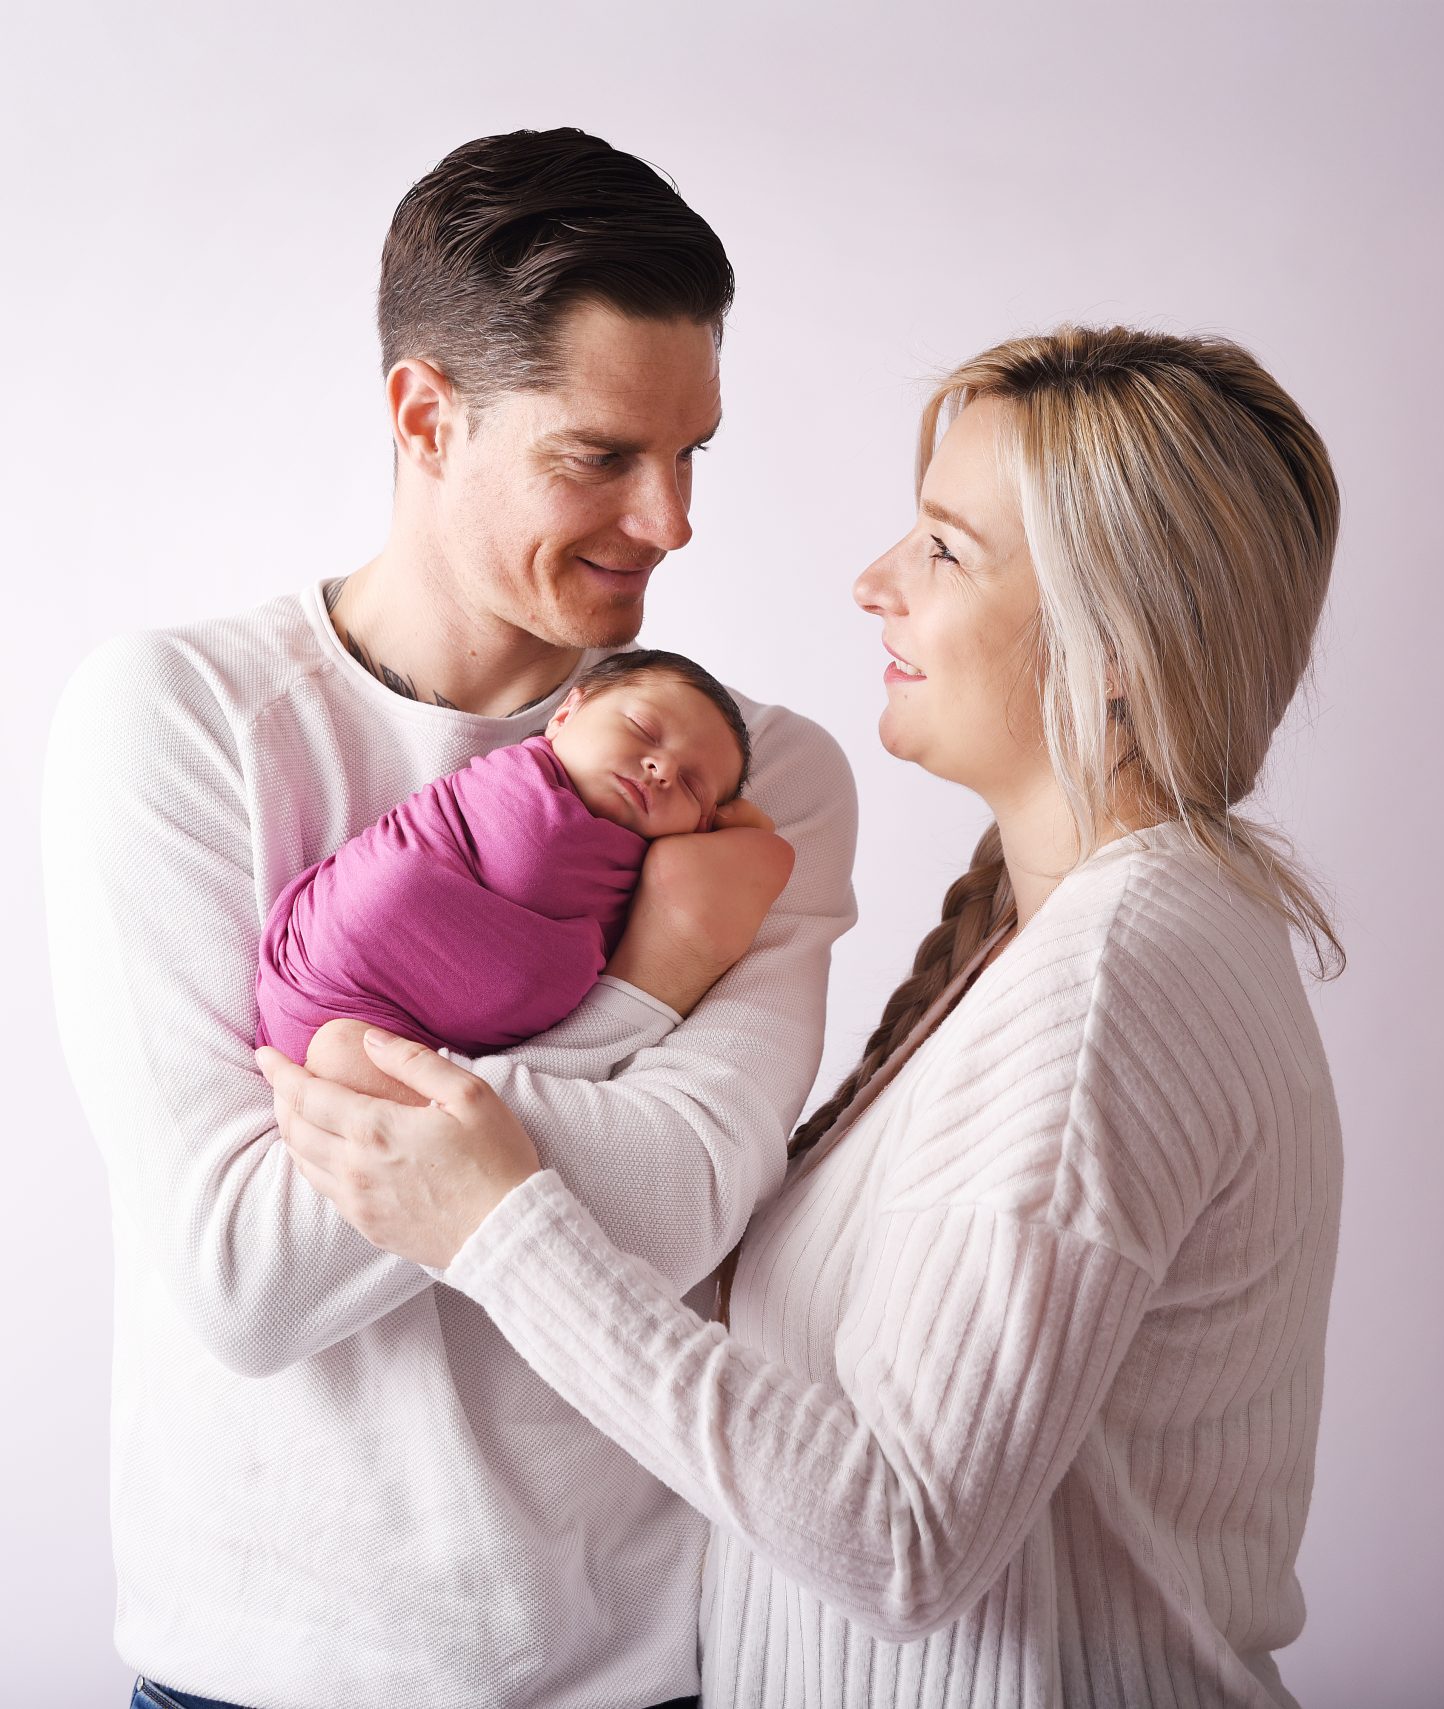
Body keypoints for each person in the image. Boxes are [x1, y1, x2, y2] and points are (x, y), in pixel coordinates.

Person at [264, 325, 1346, 1708]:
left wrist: (497, 1226)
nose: (875, 580)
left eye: (945, 549)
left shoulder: (1106, 984)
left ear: (1120, 644)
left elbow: (904, 1541)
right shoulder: (1059, 938)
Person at [42, 128, 859, 1709]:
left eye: (693, 453)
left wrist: (422, 1135)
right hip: (255, 1675)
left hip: (642, 1675)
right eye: (602, 456)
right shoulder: (180, 722)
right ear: (426, 416)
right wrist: (640, 994)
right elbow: (248, 1280)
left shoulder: (749, 779)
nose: (672, 519)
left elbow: (687, 1201)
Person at [259, 648, 782, 1105]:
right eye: (643, 730)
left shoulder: (648, 866)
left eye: (692, 786)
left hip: (401, 1049)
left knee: (363, 1068)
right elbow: (532, 867)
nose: (662, 770)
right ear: (566, 715)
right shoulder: (519, 787)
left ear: (701, 824)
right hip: (330, 990)